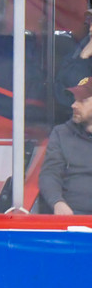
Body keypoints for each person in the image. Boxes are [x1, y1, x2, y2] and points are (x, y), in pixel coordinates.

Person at [38, 77, 92, 215]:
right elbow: (50, 174)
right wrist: (57, 202)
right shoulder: (61, 133)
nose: (74, 105)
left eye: (82, 101)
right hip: (71, 216)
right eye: (74, 100)